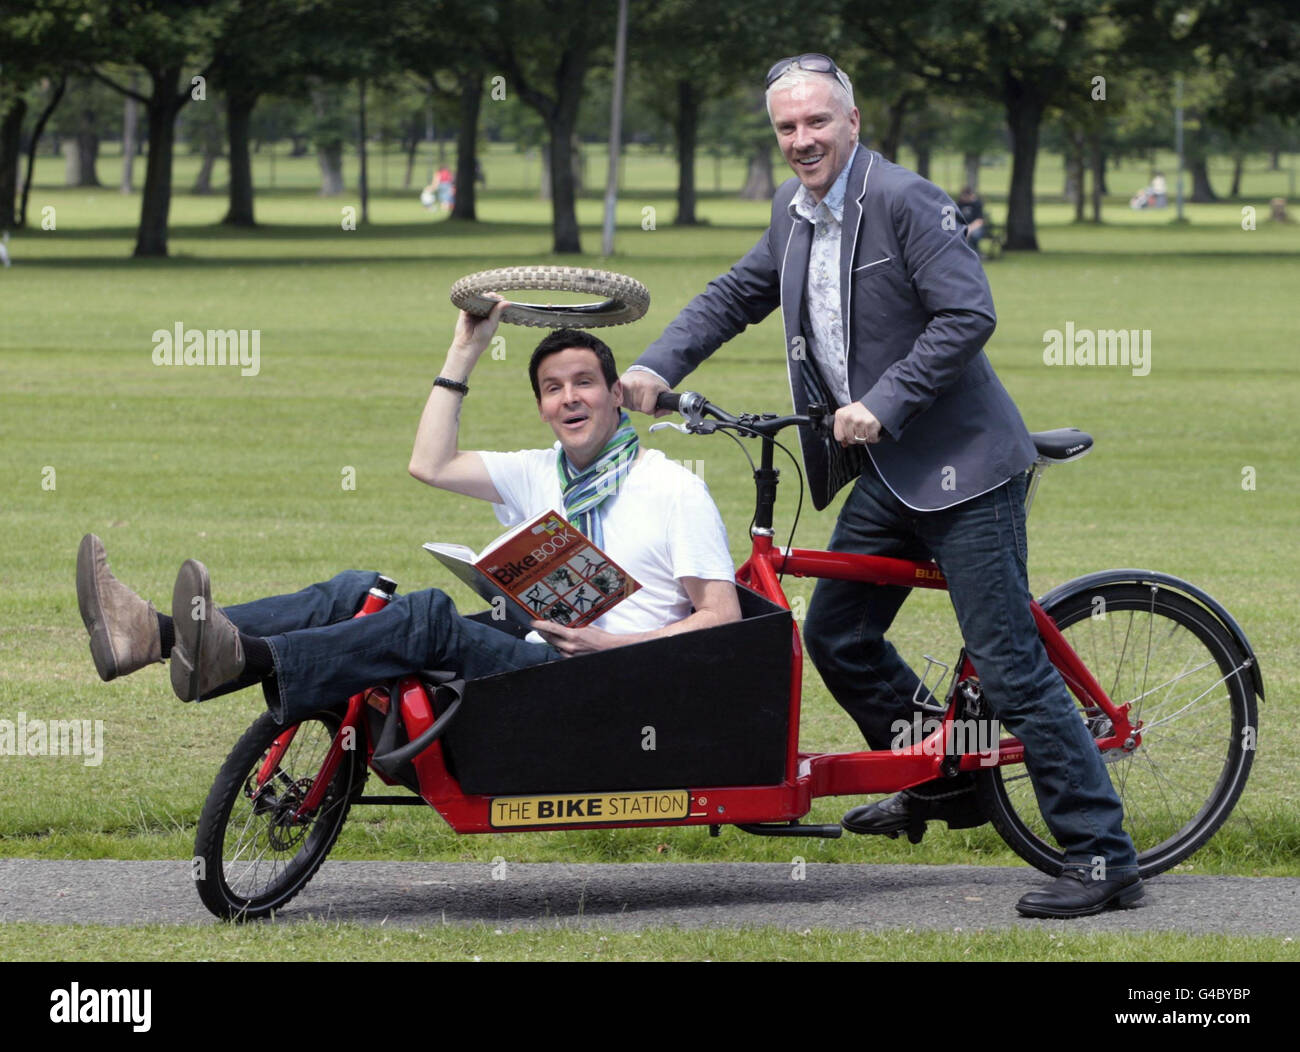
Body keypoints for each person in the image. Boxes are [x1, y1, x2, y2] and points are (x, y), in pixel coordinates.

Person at [619, 53, 1142, 918]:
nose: (801, 139)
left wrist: (881, 403)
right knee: (840, 638)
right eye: (786, 127)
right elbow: (732, 296)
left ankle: (1100, 853)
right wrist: (652, 364)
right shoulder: (795, 214)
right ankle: (948, 780)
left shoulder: (904, 199)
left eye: (816, 122)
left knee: (1010, 667)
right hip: (894, 478)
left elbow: (967, 313)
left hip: (966, 469)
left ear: (853, 123)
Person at [77, 304, 740, 729]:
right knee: (353, 589)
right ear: (541, 406)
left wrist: (610, 645)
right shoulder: (541, 471)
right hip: (536, 653)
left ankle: (243, 656)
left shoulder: (673, 489)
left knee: (427, 618)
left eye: (585, 383)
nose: (570, 398)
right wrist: (466, 350)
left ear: (616, 393)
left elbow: (720, 620)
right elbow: (430, 462)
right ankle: (154, 636)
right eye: (551, 388)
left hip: (609, 682)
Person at [956, 185, 987, 250]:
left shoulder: (977, 204)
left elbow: (979, 221)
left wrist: (969, 229)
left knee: (974, 235)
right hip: (961, 227)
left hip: (975, 227)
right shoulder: (959, 204)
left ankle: (974, 253)